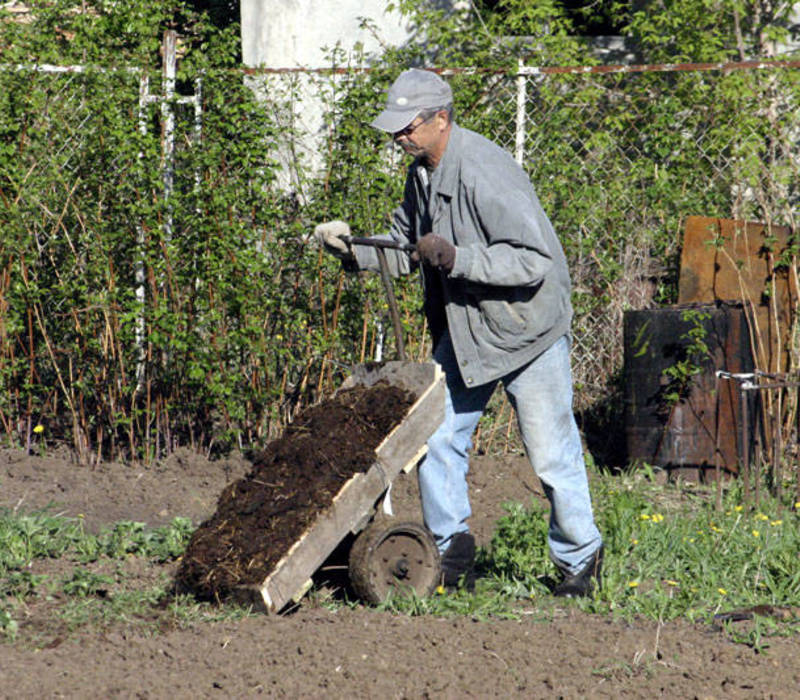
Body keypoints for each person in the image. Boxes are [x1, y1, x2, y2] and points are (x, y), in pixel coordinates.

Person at [314, 68, 603, 597]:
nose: (398, 136)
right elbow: (404, 250)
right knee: (437, 436)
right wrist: (353, 250)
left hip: (525, 330)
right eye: (395, 128)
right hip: (470, 330)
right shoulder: (421, 172)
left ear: (440, 120)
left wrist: (457, 257)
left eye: (407, 126)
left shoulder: (484, 169)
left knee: (550, 453)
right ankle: (450, 552)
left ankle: (580, 560)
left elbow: (533, 260)